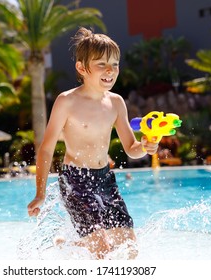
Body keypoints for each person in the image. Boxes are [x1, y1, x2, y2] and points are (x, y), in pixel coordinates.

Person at [27, 27, 158, 259]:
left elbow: (131, 149)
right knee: (101, 252)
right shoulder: (67, 101)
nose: (110, 71)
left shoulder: (117, 103)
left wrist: (146, 146)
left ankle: (69, 242)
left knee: (130, 250)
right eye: (101, 64)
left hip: (105, 179)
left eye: (115, 64)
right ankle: (71, 244)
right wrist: (40, 193)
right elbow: (46, 148)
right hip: (75, 180)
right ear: (81, 67)